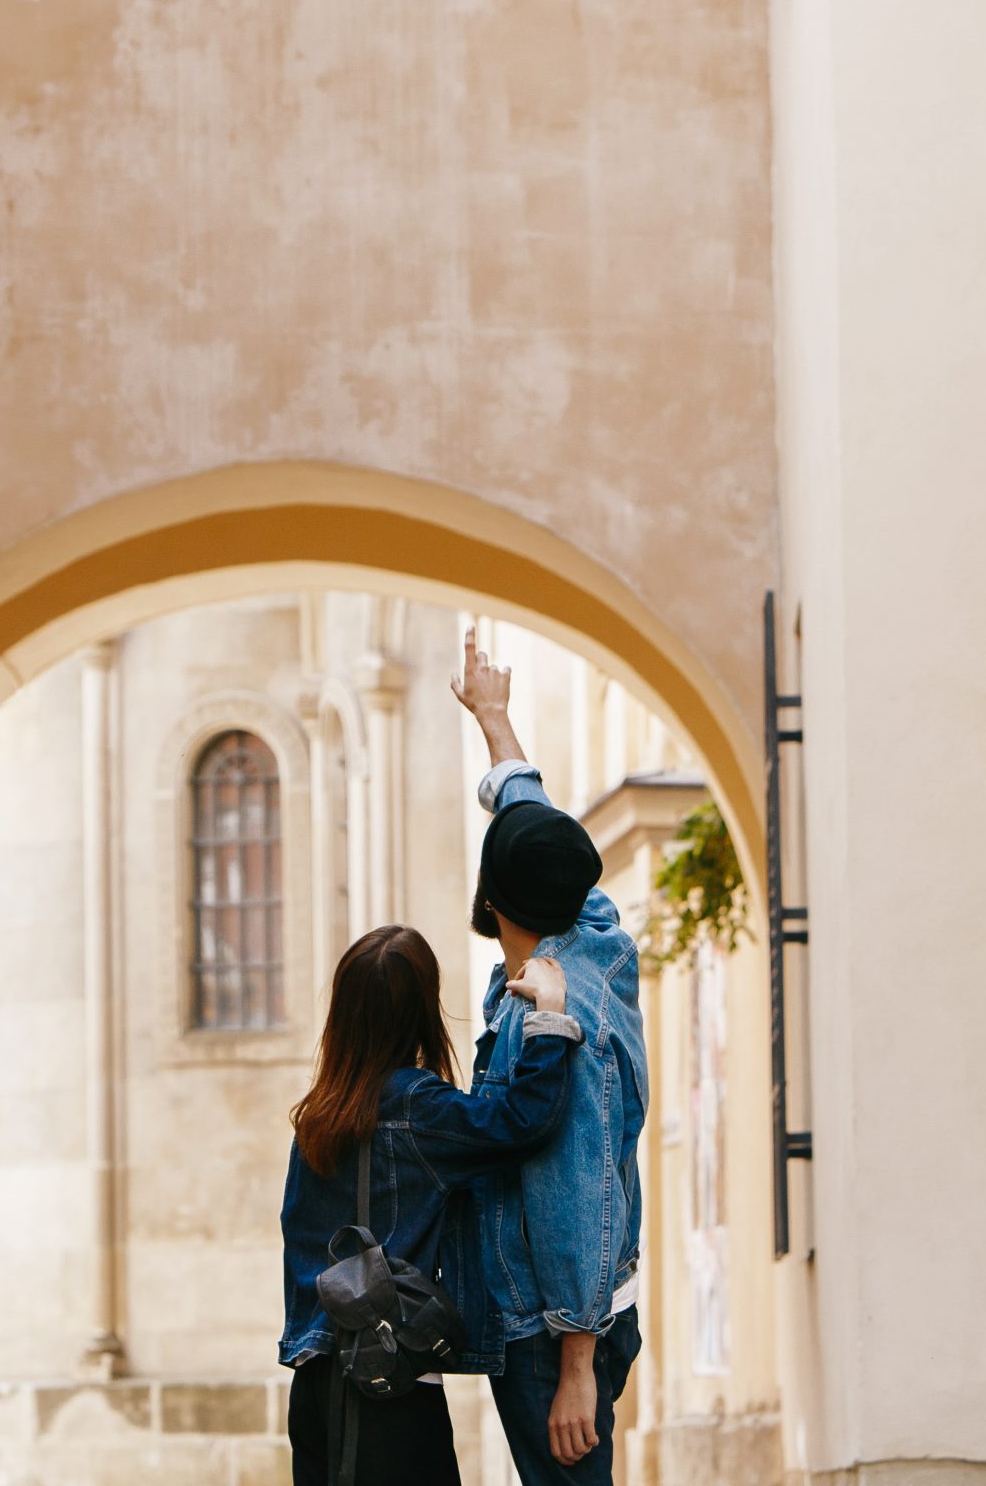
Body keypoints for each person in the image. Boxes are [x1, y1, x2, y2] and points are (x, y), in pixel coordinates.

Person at [278, 924, 582, 1486]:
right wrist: (551, 1016)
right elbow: (522, 1122)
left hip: (314, 1384)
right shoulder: (421, 1107)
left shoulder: (315, 1119)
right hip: (387, 1386)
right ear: (421, 1010)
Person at [451, 631, 649, 1485]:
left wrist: (576, 1367)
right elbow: (538, 832)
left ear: (493, 900)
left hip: (555, 1326)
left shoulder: (554, 1018)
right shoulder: (593, 930)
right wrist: (495, 724)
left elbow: (575, 1184)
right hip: (583, 1310)